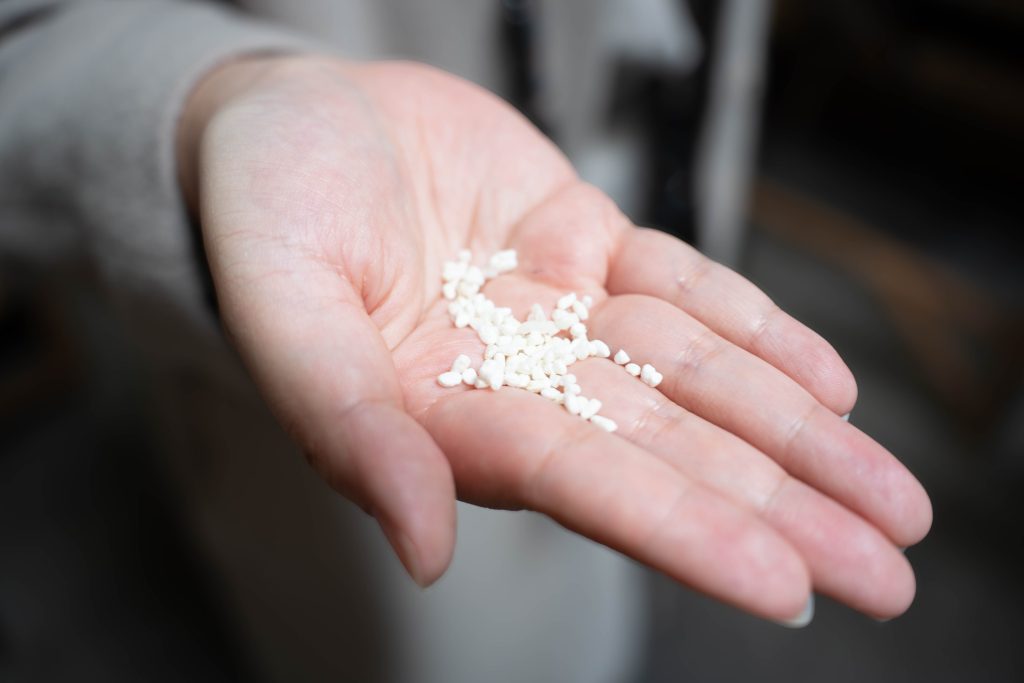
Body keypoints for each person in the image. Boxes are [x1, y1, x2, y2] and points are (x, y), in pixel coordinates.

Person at [0, 1, 932, 681]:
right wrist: (221, 94)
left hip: (614, 213)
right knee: (429, 635)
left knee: (639, 539)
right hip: (392, 235)